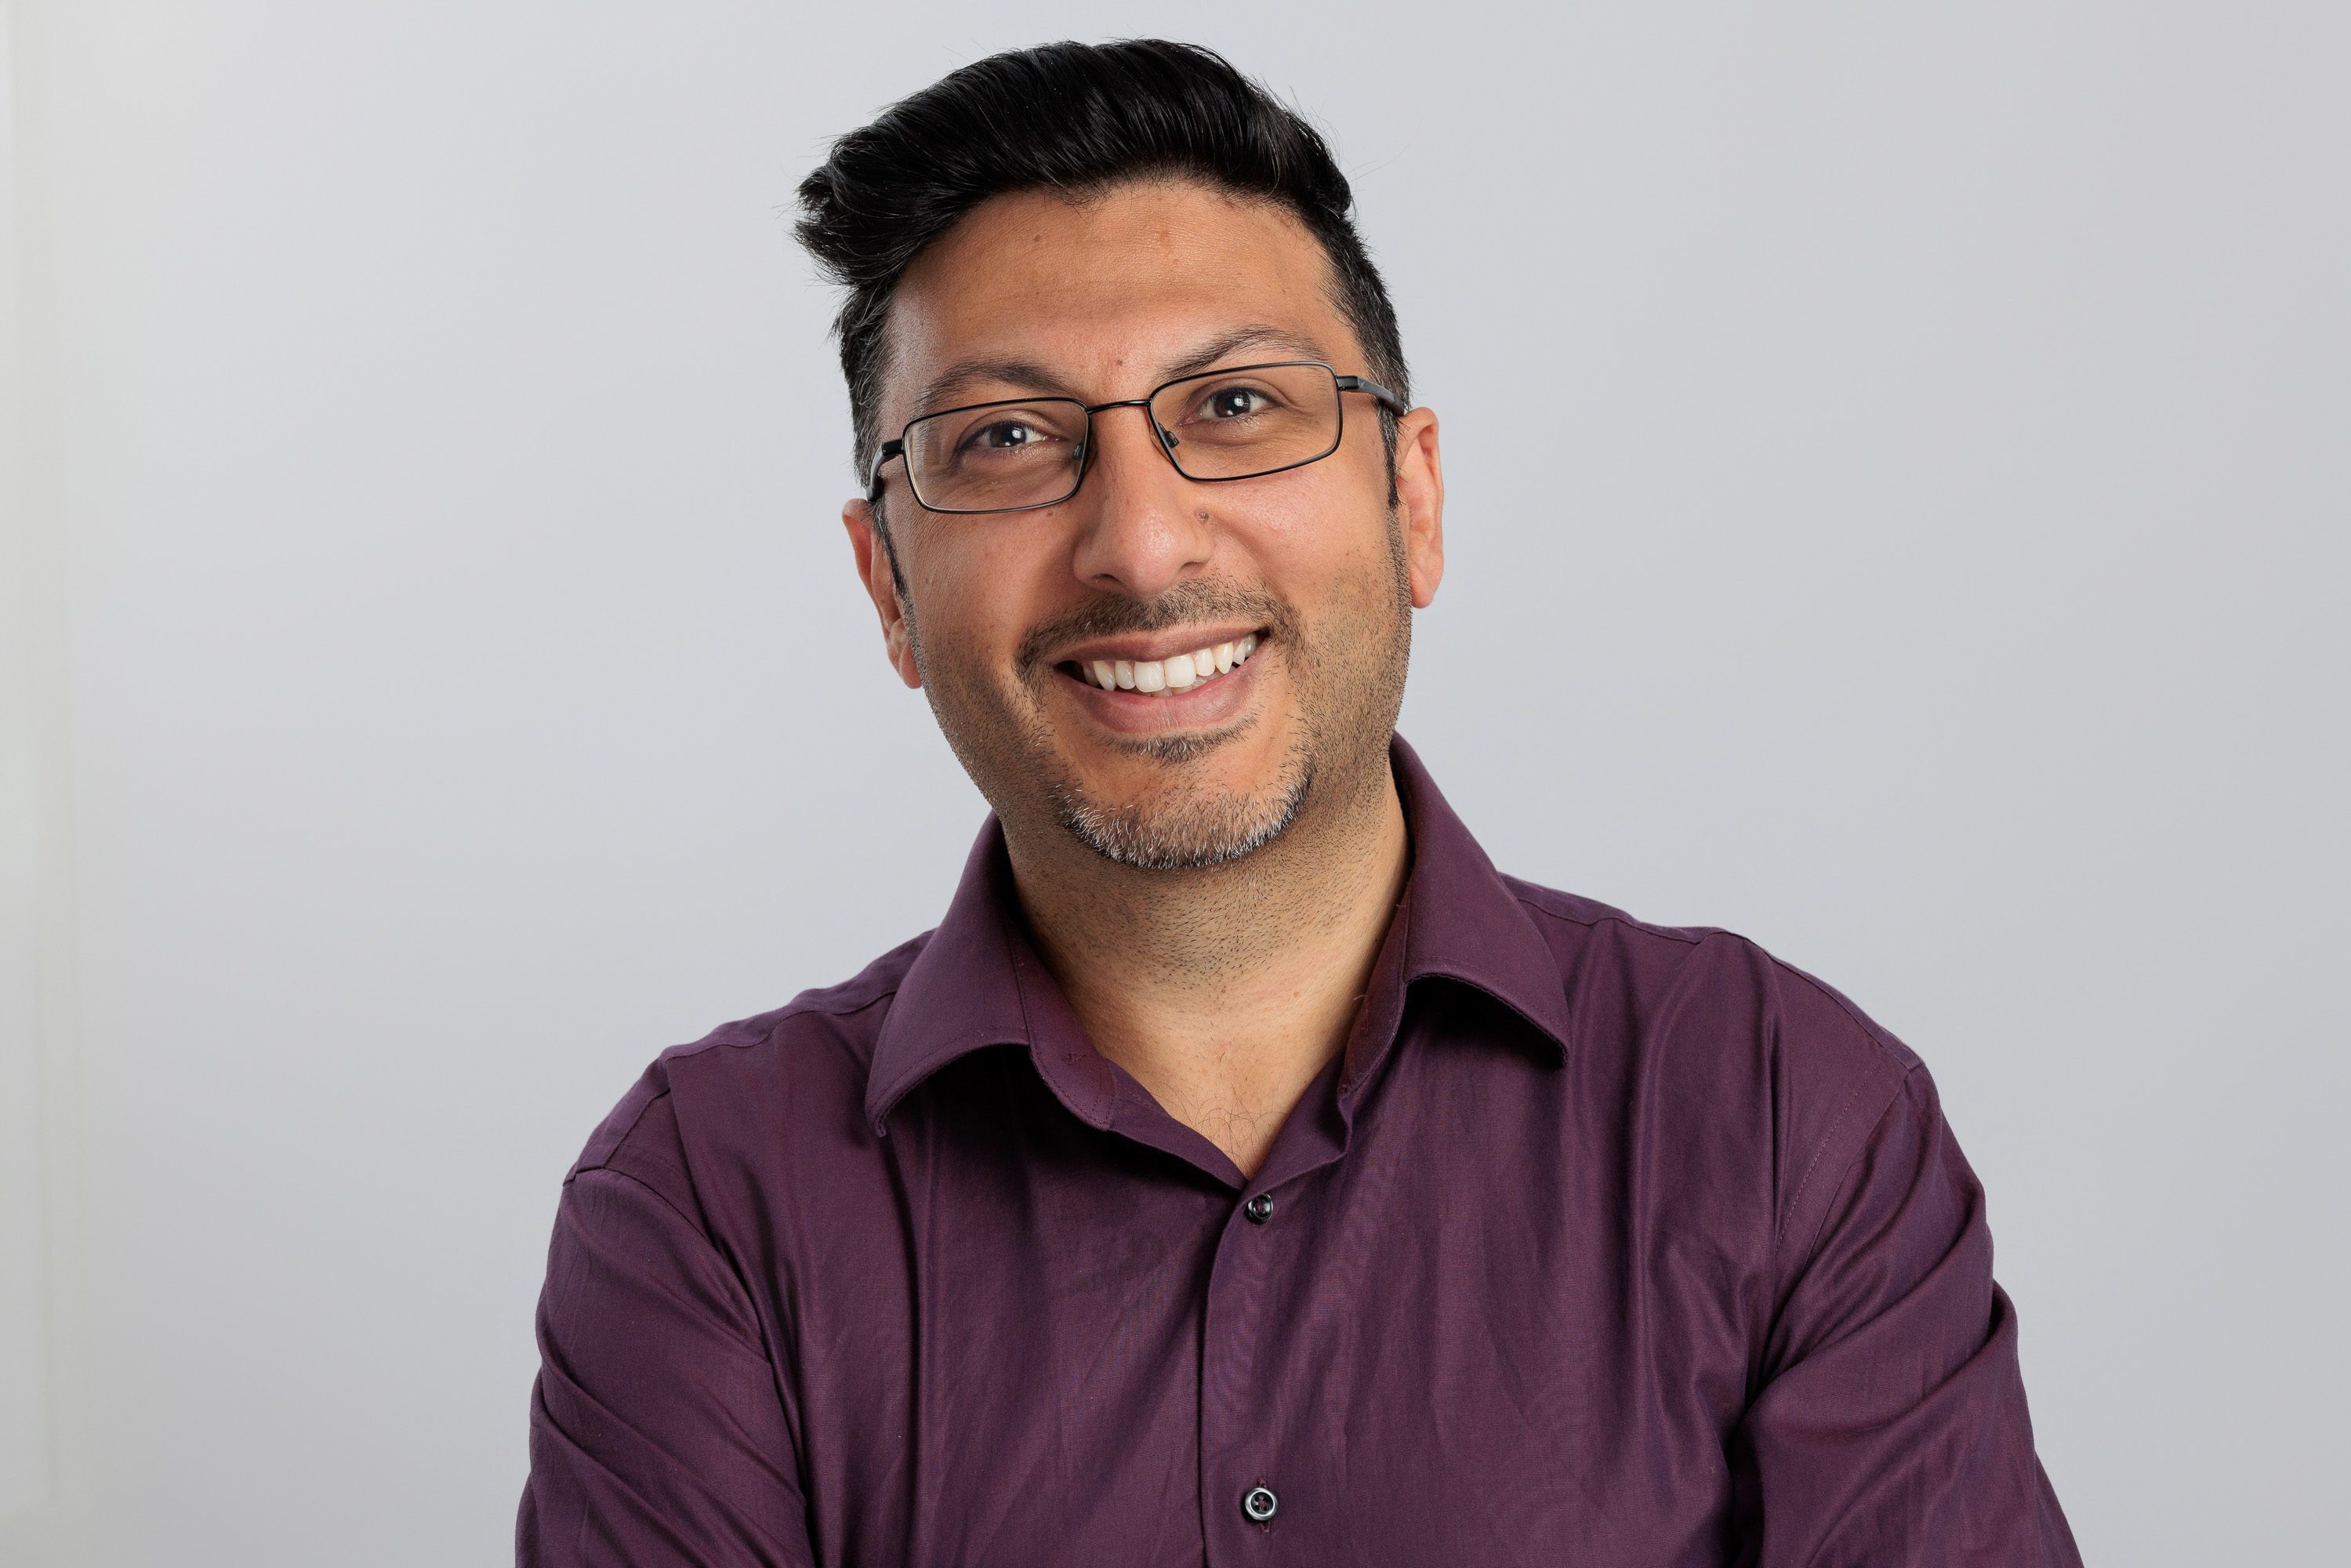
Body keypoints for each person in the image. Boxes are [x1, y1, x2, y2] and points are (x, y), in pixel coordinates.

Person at [517, 38, 2080, 1567]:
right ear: (889, 591)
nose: (1139, 545)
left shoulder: (1780, 1113)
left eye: (1238, 407)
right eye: (1003, 438)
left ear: (1413, 501)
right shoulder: (709, 1206)